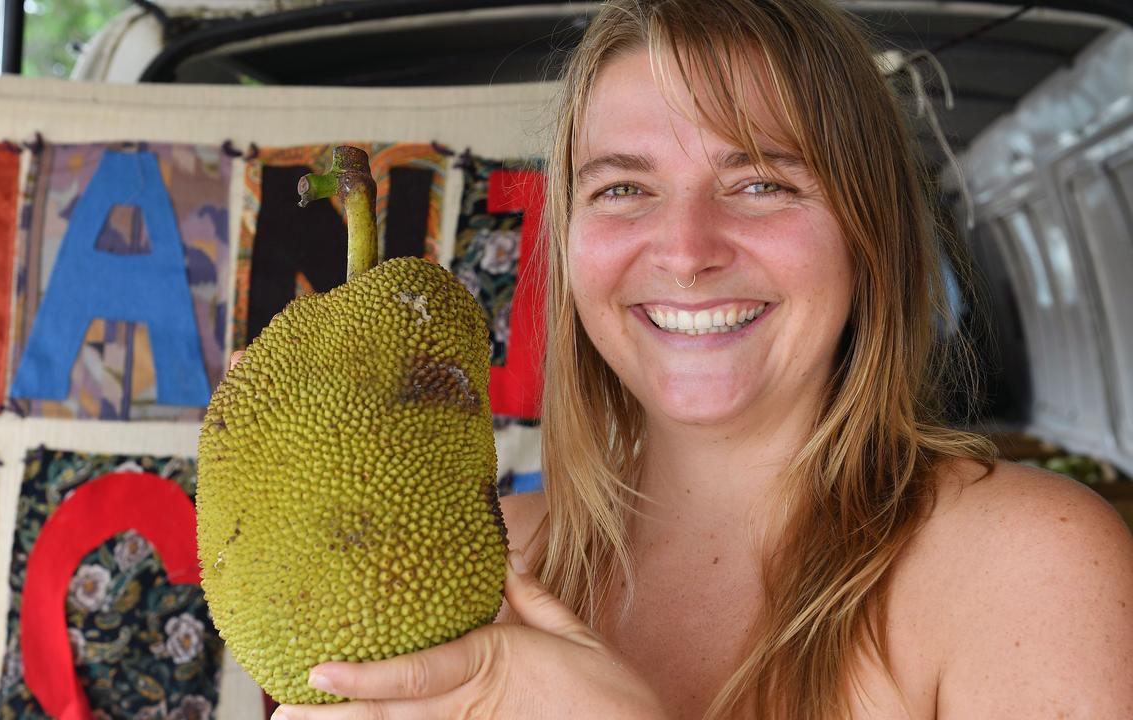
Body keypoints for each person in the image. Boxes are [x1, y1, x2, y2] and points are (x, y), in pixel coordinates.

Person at [270, 0, 1133, 717]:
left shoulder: (1031, 564)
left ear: (869, 231)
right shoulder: (481, 560)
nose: (685, 251)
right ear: (569, 245)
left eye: (760, 182)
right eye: (624, 188)